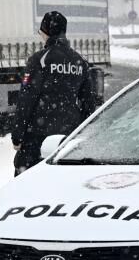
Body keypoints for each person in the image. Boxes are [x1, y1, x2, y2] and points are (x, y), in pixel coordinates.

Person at [12, 10, 99, 175]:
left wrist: (17, 135)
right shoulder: (79, 62)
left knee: (27, 181)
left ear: (46, 32)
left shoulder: (39, 60)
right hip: (68, 135)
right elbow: (88, 103)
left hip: (38, 135)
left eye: (41, 32)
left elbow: (26, 99)